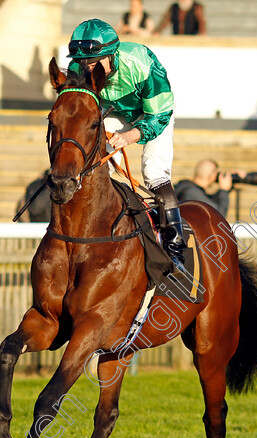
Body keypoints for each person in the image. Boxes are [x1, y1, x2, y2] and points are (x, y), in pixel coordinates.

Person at [67, 19, 187, 268]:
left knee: (154, 172)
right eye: (83, 64)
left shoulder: (140, 63)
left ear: (111, 56)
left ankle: (175, 248)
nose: (88, 71)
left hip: (153, 112)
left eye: (93, 63)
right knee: (95, 166)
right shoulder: (78, 69)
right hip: (114, 111)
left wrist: (132, 136)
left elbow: (159, 116)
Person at [174, 159, 240, 217]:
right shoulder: (192, 192)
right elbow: (218, 216)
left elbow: (211, 201)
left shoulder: (190, 189)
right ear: (212, 175)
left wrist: (229, 187)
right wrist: (224, 190)